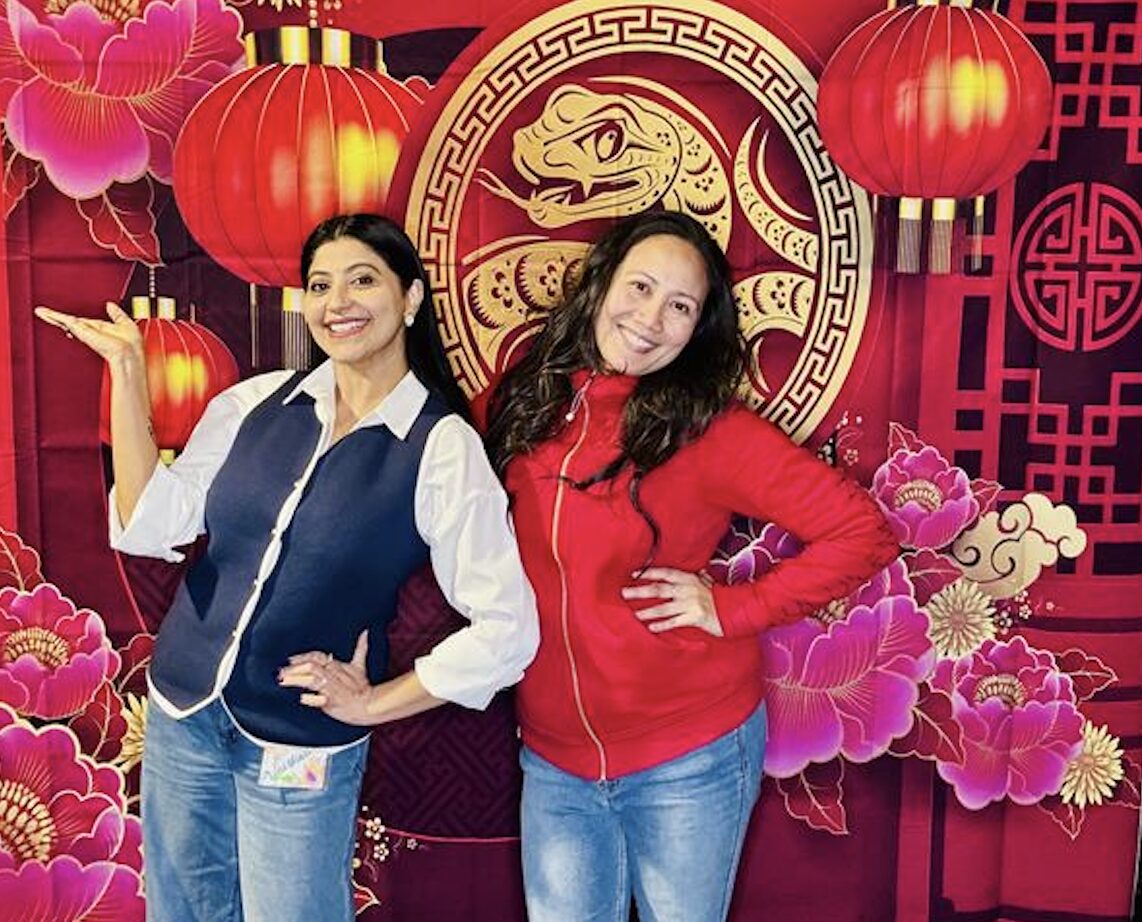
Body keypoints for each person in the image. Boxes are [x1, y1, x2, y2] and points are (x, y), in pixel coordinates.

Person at [36, 213, 539, 922]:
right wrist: (127, 376)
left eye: (363, 280)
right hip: (184, 715)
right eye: (320, 285)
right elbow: (151, 523)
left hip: (300, 743)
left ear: (412, 298)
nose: (338, 302)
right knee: (182, 910)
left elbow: (507, 630)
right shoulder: (255, 402)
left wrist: (374, 702)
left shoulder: (440, 446)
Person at [485, 210, 899, 922]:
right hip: (554, 760)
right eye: (639, 287)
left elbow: (860, 532)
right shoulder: (522, 403)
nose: (651, 318)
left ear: (698, 327)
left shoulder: (711, 431)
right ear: (598, 284)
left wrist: (730, 607)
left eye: (680, 306)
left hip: (688, 754)